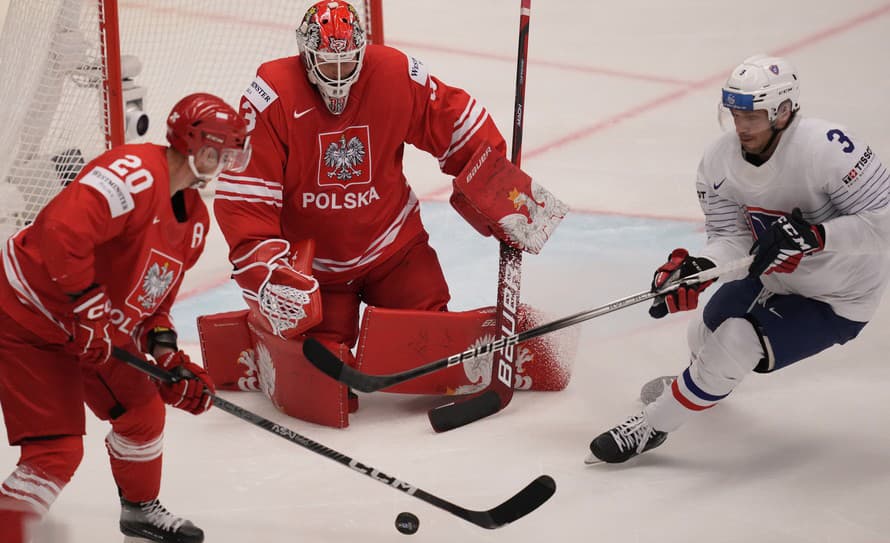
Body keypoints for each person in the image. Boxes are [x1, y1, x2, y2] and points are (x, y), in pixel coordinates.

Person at [213, 0, 567, 425]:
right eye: (329, 65)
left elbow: (453, 120)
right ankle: (267, 336)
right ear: (306, 57)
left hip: (392, 245)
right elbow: (246, 199)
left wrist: (499, 187)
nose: (340, 78)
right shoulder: (270, 95)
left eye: (349, 65)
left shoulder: (394, 74)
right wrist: (267, 274)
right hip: (316, 272)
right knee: (325, 383)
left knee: (430, 346)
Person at [586, 54, 890, 464]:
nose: (742, 126)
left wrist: (817, 236)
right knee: (703, 337)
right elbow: (731, 237)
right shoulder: (718, 161)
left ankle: (652, 425)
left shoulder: (827, 148)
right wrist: (698, 269)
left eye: (754, 115)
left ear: (783, 111)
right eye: (736, 113)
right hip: (777, 278)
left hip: (839, 296)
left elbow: (885, 222)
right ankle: (701, 384)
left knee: (736, 341)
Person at [0, 93, 251, 542]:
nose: (225, 163)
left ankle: (139, 511)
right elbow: (61, 232)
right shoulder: (132, 173)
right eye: (220, 152)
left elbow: (153, 306)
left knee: (143, 413)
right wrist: (90, 310)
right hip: (28, 315)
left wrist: (168, 357)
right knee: (54, 453)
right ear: (193, 145)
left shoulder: (194, 223)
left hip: (89, 327)